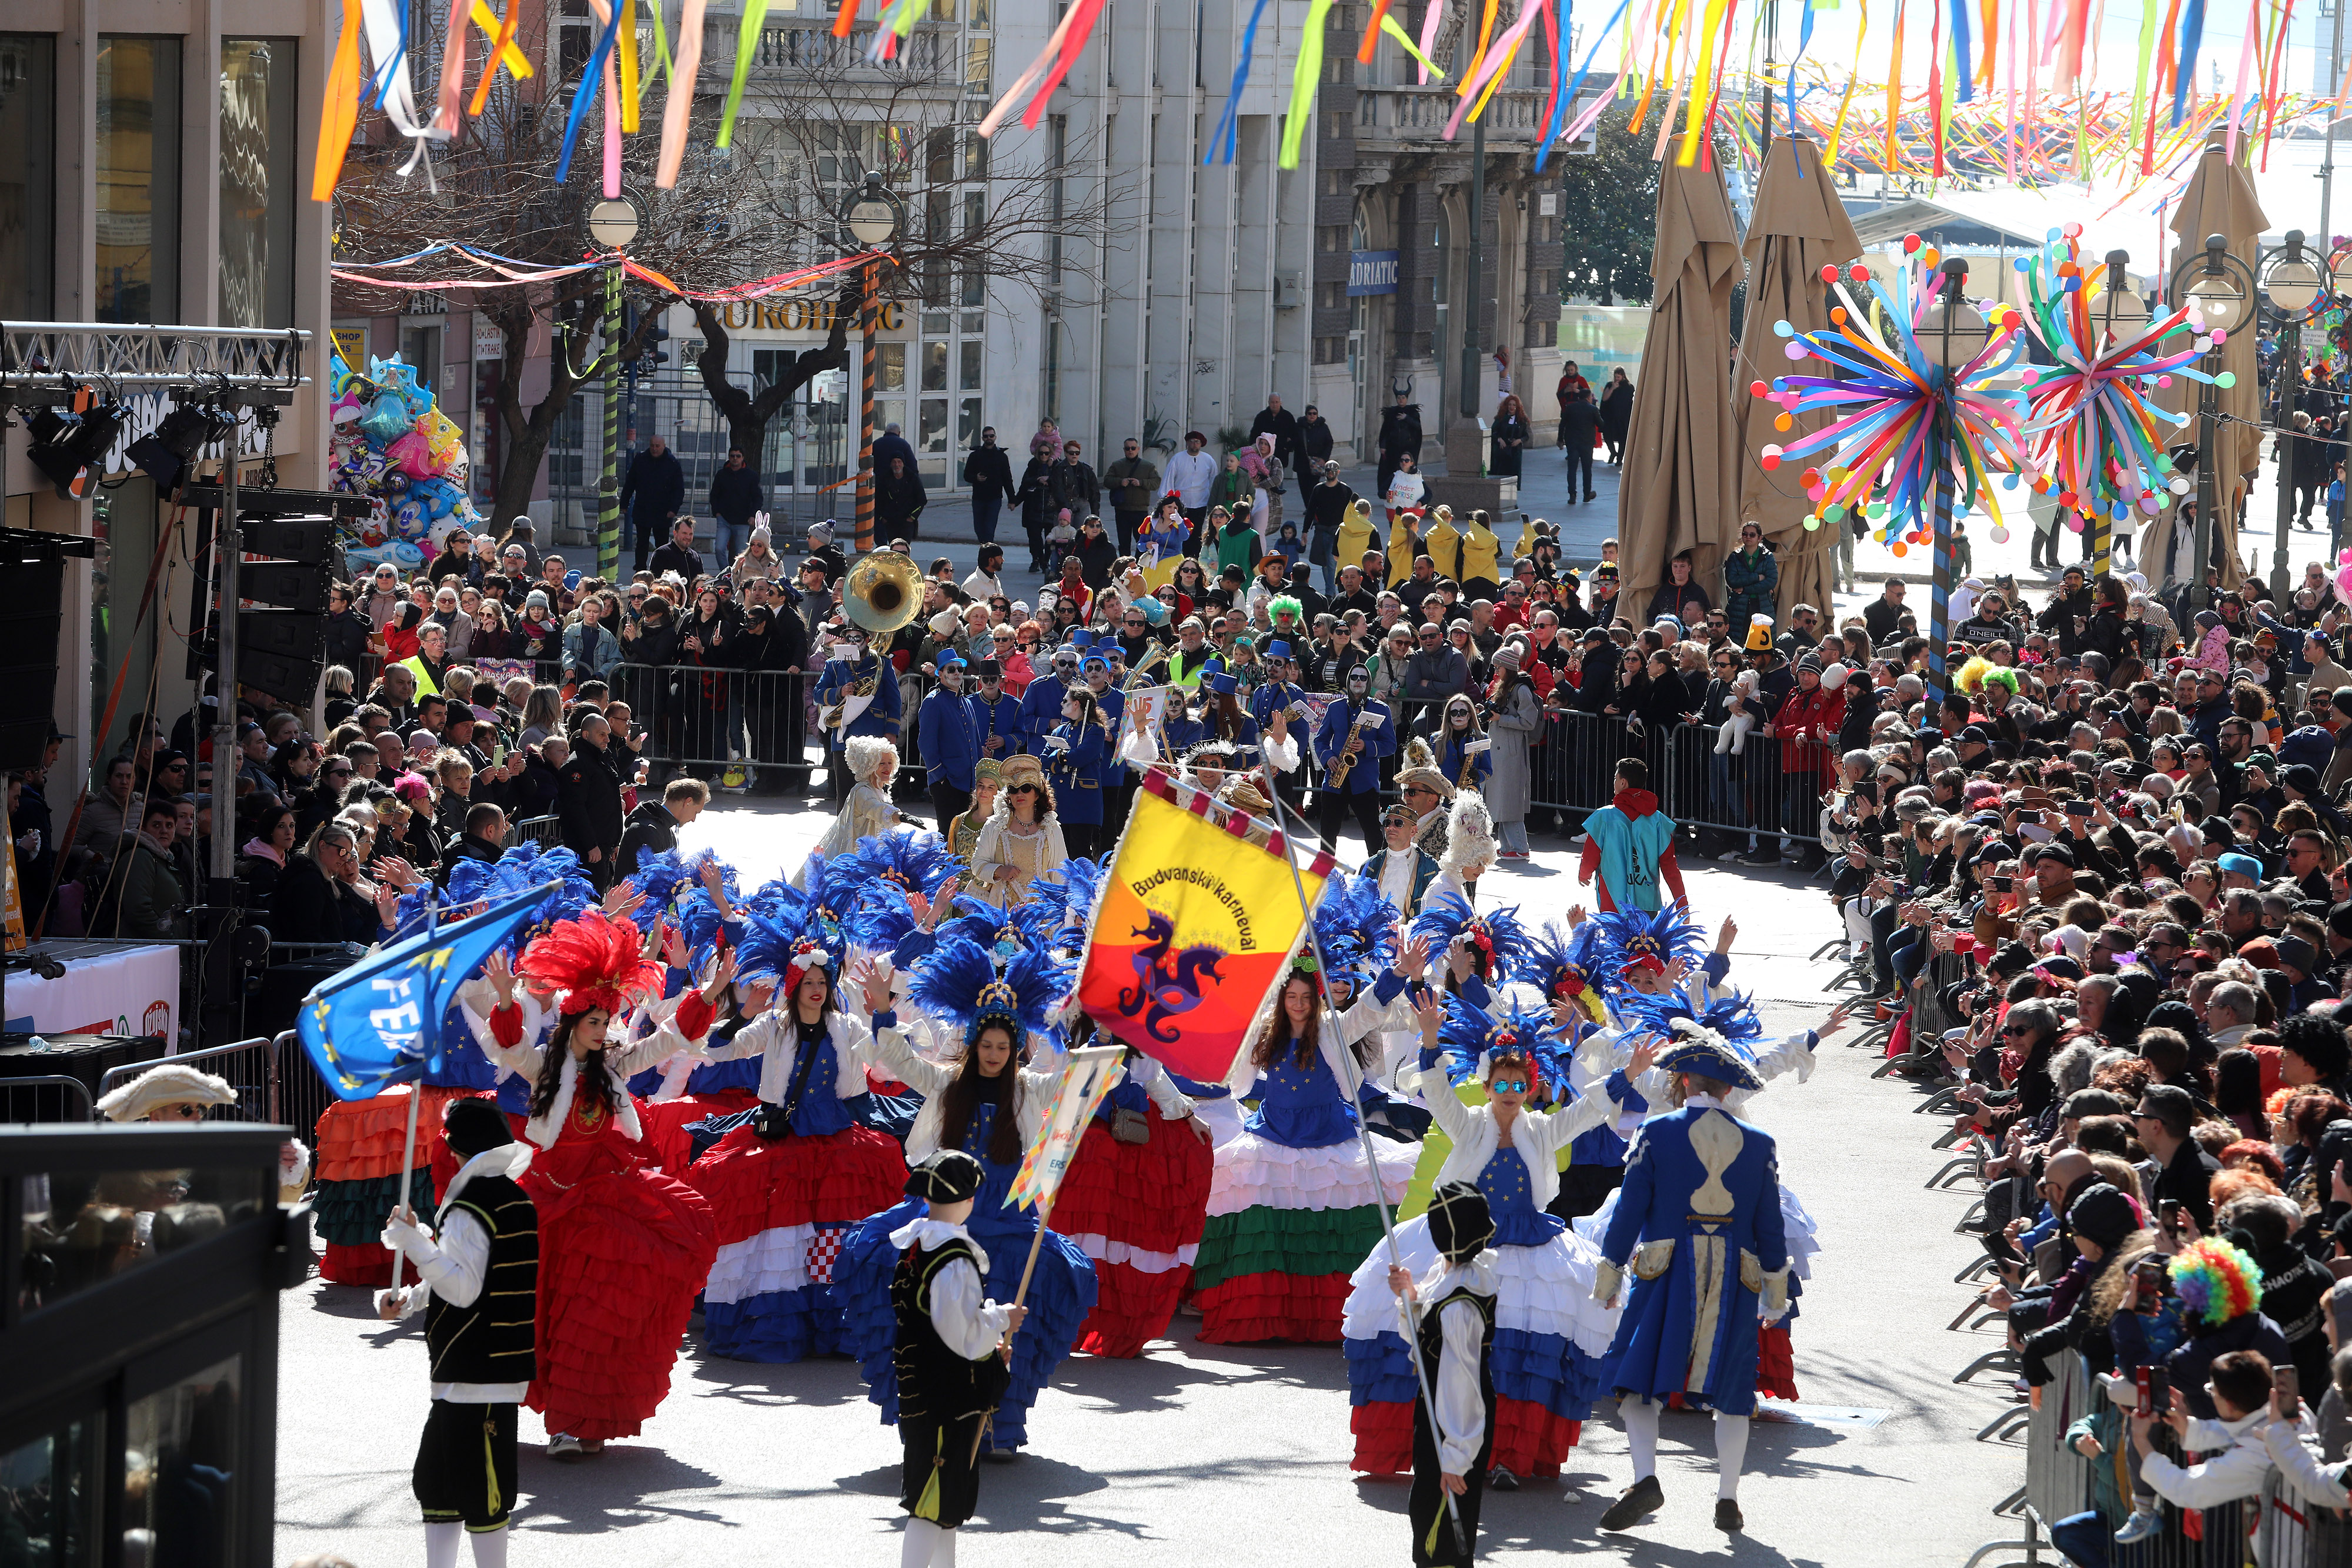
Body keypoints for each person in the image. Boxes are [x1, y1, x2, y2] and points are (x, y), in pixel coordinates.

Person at [472, 918, 721, 1457]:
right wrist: (503, 996)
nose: (603, 1027)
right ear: (573, 1021)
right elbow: (511, 1047)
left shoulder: (615, 1067)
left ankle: (579, 1419)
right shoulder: (545, 1066)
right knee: (544, 1312)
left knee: (591, 1313)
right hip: (547, 1200)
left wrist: (711, 994)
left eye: (606, 1019)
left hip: (602, 1197)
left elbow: (669, 1041)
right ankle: (540, 1414)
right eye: (594, 1019)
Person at [837, 944, 1100, 1453]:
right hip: (949, 1216)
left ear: (1017, 1048)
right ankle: (940, 1415)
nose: (995, 1054)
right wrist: (883, 1010)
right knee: (933, 1312)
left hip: (1008, 1219)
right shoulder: (947, 1082)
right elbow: (900, 1060)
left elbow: (1074, 1085)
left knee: (1020, 1307)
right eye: (987, 1045)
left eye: (1004, 1046)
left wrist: (1098, 1036)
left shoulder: (1027, 1089)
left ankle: (997, 1424)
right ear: (975, 1044)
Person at [1592, 1019, 1789, 1534]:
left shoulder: (1656, 1132)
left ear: (1682, 1083)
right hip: (1736, 1278)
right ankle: (1727, 1497)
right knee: (1733, 1392)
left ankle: (1646, 1478)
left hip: (1666, 1270)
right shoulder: (1761, 1142)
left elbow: (1629, 1212)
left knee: (1637, 1384)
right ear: (1728, 1088)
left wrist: (1609, 1275)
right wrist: (1775, 1292)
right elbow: (1771, 1226)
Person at [374, 1098, 538, 1568]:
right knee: (440, 1483)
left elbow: (464, 1288)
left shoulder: (471, 1206)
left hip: (479, 1366)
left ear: (454, 1149)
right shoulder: (511, 1196)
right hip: (468, 1367)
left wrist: (417, 1244)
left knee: (481, 1490)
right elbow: (461, 1274)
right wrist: (410, 1298)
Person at [887, 1150, 1019, 1568]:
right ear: (967, 1200)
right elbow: (959, 1332)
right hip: (944, 1395)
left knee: (946, 1504)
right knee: (931, 1500)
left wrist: (991, 1342)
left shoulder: (919, 1245)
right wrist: (1000, 1319)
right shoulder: (953, 1258)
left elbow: (941, 1320)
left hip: (923, 1385)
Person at [1577, 757, 1689, 912]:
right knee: (1646, 937)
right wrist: (1682, 903)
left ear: (1623, 783)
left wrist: (1584, 873)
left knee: (1614, 937)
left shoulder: (1604, 817)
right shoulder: (1658, 821)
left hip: (1612, 902)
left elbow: (1591, 854)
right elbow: (1670, 866)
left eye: (1616, 778)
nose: (1614, 782)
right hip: (1647, 903)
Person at [617, 775, 708, 878]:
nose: (693, 819)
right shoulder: (645, 829)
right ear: (688, 802)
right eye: (696, 812)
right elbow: (654, 880)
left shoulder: (664, 828)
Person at [620, 434, 686, 574]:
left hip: (663, 511)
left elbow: (679, 489)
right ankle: (640, 571)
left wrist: (674, 509)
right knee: (641, 543)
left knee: (661, 544)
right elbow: (630, 483)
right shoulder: (641, 460)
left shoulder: (672, 463)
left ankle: (661, 572)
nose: (654, 449)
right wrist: (624, 503)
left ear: (664, 446)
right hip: (643, 508)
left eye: (657, 446)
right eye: (652, 446)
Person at [1102, 437, 1161, 556]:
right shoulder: (1117, 465)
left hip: (1140, 510)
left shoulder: (1148, 466)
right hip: (1122, 510)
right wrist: (1120, 482)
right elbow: (1107, 481)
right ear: (1124, 450)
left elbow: (1156, 483)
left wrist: (1141, 483)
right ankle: (1124, 566)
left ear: (1138, 449)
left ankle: (1139, 567)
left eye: (1133, 448)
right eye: (1128, 448)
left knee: (1142, 541)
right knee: (1123, 542)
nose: (1130, 451)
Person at [707, 447, 764, 561]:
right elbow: (714, 495)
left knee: (741, 554)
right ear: (729, 457)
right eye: (732, 456)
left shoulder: (751, 476)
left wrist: (753, 515)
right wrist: (717, 513)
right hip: (724, 519)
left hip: (743, 521)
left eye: (738, 456)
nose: (735, 459)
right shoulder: (722, 474)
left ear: (743, 458)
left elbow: (758, 497)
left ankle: (737, 576)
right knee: (719, 548)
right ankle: (725, 574)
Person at [963, 426, 1015, 546]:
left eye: (991, 436)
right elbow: (966, 475)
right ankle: (985, 547)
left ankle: (988, 550)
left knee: (989, 528)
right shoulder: (975, 456)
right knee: (979, 528)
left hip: (995, 498)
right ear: (982, 438)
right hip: (978, 498)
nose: (989, 438)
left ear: (995, 437)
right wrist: (976, 478)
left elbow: (1007, 479)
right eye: (986, 436)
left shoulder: (1001, 456)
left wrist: (1012, 500)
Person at [1560, 391, 1602, 503]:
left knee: (1572, 469)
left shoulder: (1570, 408)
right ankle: (1587, 494)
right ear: (1589, 398)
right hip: (1587, 443)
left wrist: (1560, 439)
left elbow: (1562, 424)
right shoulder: (1593, 409)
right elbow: (1601, 425)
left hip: (1572, 442)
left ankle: (1572, 495)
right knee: (1587, 469)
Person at [648, 515, 706, 583]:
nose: (688, 537)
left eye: (691, 534)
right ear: (675, 533)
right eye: (684, 533)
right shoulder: (661, 554)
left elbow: (701, 583)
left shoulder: (696, 557)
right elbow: (655, 583)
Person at [1489, 394, 1529, 479]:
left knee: (1514, 475)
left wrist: (1519, 440)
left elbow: (1526, 436)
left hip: (1515, 452)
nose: (1512, 407)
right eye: (1510, 405)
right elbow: (1493, 432)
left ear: (1517, 407)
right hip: (1502, 451)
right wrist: (1499, 439)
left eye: (1514, 405)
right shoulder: (1501, 418)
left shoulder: (1522, 420)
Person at [1599, 369, 1635, 465]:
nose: (1616, 379)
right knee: (1607, 436)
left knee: (1622, 438)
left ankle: (1620, 458)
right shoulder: (1610, 385)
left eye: (1618, 377)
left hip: (1623, 417)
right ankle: (1613, 453)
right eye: (1615, 377)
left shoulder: (1629, 387)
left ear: (1623, 376)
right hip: (1610, 416)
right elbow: (1605, 398)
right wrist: (1612, 389)